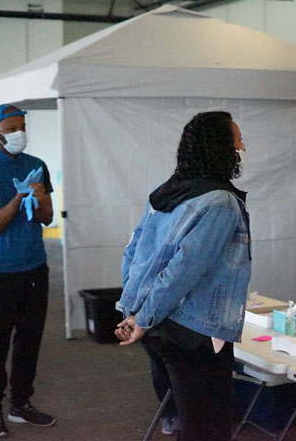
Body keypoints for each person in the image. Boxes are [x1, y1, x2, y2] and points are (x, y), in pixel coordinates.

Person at [116, 111, 251, 441]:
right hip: (196, 332)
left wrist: (134, 311)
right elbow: (182, 272)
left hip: (163, 327)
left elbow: (133, 254)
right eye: (237, 140)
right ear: (220, 148)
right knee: (207, 426)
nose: (242, 146)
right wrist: (143, 317)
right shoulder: (220, 202)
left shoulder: (165, 193)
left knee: (191, 419)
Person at [0, 104, 56, 438]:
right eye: (11, 127)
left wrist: (41, 199)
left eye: (22, 125)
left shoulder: (37, 166)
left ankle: (21, 403)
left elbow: (47, 217)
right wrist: (20, 197)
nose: (19, 132)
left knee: (29, 339)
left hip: (35, 266)